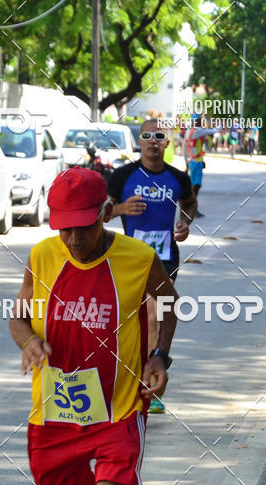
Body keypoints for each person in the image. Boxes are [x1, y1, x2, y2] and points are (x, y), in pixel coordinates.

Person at [9, 167, 180, 485]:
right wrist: (30, 340)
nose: (73, 238)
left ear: (106, 214)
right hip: (55, 412)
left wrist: (159, 356)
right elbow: (18, 315)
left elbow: (167, 302)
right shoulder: (43, 256)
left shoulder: (138, 259)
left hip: (118, 409)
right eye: (64, 228)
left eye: (82, 227)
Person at [108, 119, 197, 415]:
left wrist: (184, 223)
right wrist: (121, 209)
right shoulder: (122, 176)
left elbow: (189, 202)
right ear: (139, 141)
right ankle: (139, 378)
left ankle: (150, 384)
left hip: (165, 258)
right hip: (130, 258)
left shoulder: (178, 177)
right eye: (146, 136)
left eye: (159, 136)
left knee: (154, 314)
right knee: (136, 320)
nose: (152, 141)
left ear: (167, 142)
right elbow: (102, 213)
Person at [182, 115, 207, 214]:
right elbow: (185, 149)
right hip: (194, 162)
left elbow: (195, 149)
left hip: (196, 161)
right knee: (195, 186)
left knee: (196, 186)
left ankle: (192, 207)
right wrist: (187, 163)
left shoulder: (193, 132)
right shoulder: (193, 132)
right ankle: (190, 208)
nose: (202, 122)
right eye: (200, 121)